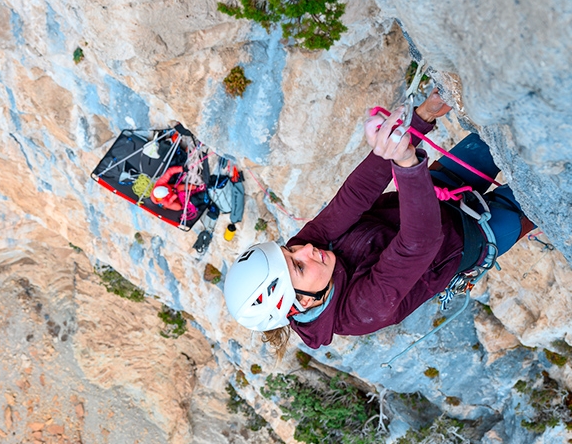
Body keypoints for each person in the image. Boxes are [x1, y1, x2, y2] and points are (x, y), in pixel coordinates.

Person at [223, 90, 533, 350]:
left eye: (289, 251)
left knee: (508, 125)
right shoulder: (358, 313)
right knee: (546, 186)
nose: (303, 248)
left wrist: (419, 119)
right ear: (301, 304)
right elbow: (418, 244)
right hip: (472, 238)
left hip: (435, 189)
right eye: (298, 266)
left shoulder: (307, 252)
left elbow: (355, 196)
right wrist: (406, 163)